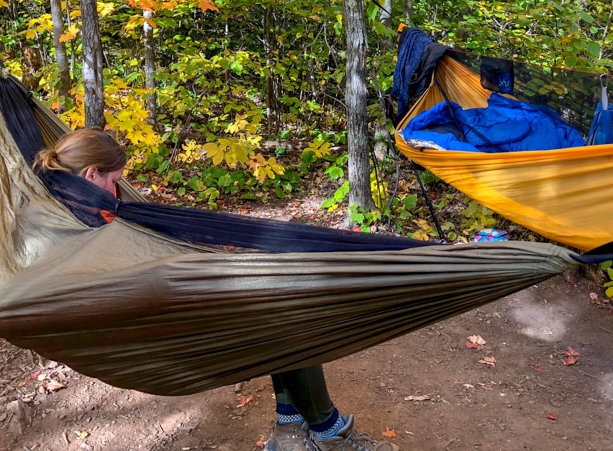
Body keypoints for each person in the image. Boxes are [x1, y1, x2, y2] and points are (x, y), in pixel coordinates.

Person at [34, 129, 399, 451]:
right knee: (291, 318)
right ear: (91, 174)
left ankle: (290, 430)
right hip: (154, 329)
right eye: (114, 180)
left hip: (162, 301)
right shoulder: (80, 221)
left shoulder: (68, 205)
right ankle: (327, 432)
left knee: (279, 304)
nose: (117, 190)